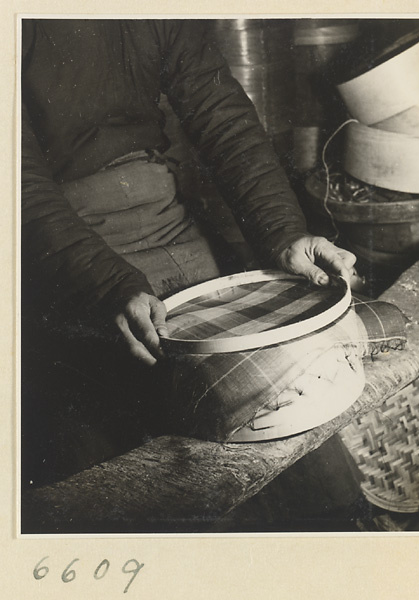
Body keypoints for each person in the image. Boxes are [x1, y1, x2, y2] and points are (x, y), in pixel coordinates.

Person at [21, 19, 358, 483]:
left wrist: (283, 234)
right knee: (117, 435)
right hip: (50, 242)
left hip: (165, 211)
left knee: (272, 381)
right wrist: (108, 285)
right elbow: (18, 181)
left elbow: (223, 118)